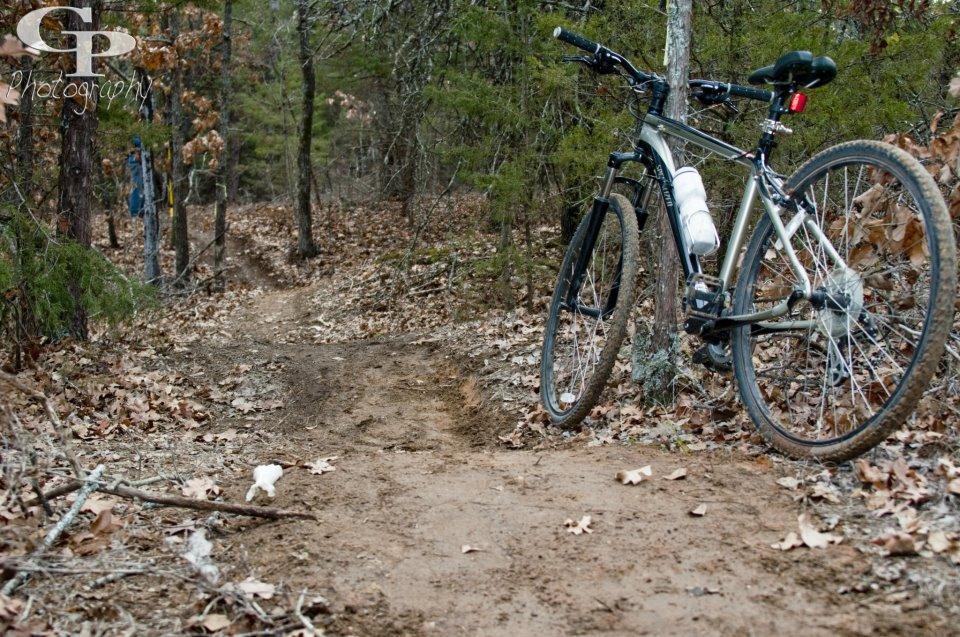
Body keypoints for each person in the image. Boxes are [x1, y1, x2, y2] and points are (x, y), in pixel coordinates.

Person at [127, 137, 145, 218]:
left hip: (139, 155)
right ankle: (135, 213)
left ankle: (141, 211)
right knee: (137, 186)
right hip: (135, 158)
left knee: (142, 185)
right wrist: (137, 151)